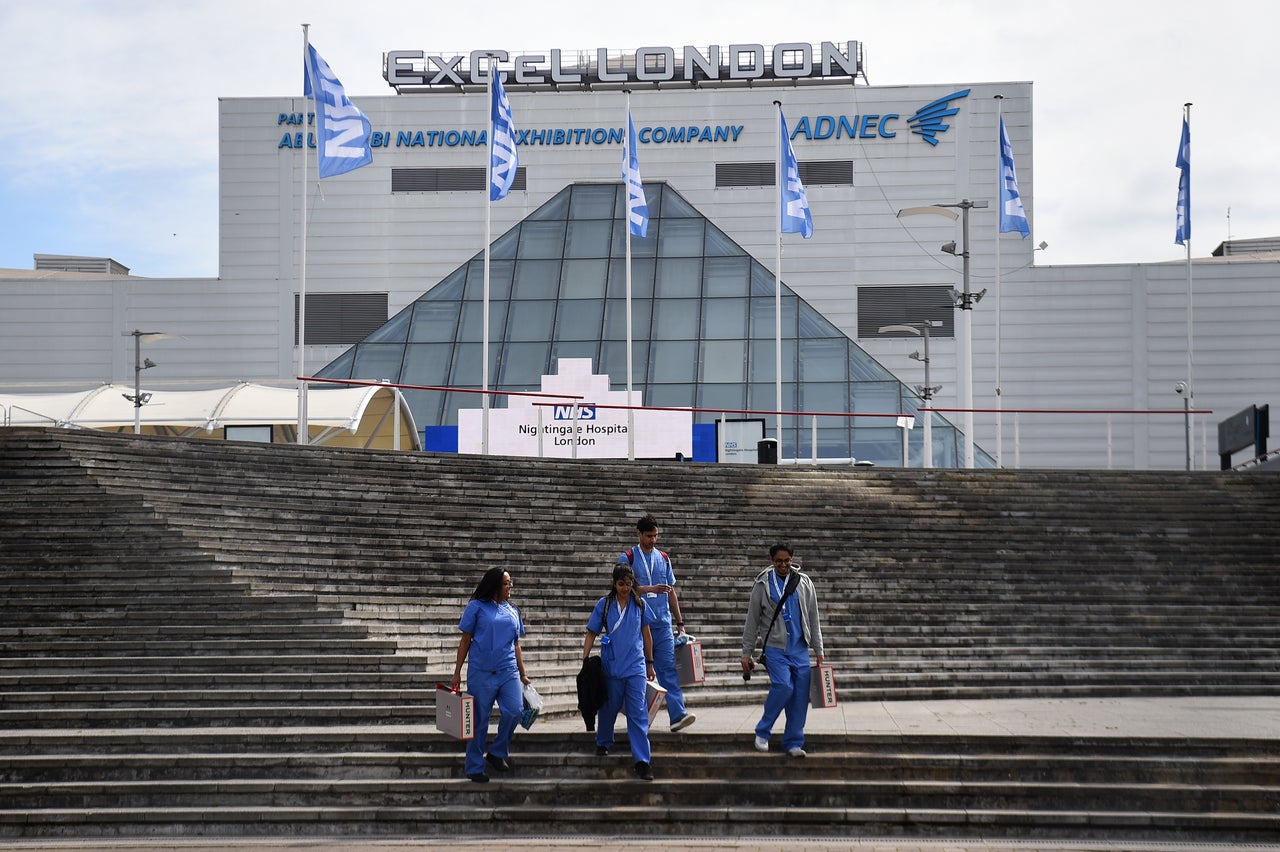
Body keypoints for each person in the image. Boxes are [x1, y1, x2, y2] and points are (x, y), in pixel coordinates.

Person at [740, 543, 825, 758]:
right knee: (783, 686)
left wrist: (819, 649)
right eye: (779, 561)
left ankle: (794, 742)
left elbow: (813, 617)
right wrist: (746, 652)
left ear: (792, 560)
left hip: (800, 648)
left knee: (799, 696)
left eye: (787, 561)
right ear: (771, 561)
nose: (783, 565)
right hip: (775, 648)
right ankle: (763, 731)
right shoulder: (762, 584)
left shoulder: (804, 583)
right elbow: (752, 621)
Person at [450, 567, 531, 783]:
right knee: (478, 721)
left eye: (510, 582)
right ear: (495, 585)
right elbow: (465, 640)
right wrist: (457, 672)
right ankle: (474, 766)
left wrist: (523, 674)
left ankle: (497, 752)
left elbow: (516, 645)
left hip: (508, 671)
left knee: (515, 711)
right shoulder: (475, 607)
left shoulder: (513, 611)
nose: (510, 587)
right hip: (481, 672)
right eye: (506, 583)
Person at [617, 515, 697, 733]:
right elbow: (622, 589)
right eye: (649, 536)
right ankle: (640, 718)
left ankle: (677, 714)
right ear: (639, 534)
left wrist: (680, 623)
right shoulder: (627, 557)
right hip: (637, 625)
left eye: (655, 536)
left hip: (662, 623)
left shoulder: (663, 557)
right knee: (639, 673)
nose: (653, 540)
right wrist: (650, 589)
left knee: (668, 669)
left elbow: (671, 592)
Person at [583, 564, 657, 781]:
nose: (625, 588)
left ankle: (642, 761)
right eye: (621, 584)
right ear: (614, 584)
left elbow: (647, 635)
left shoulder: (640, 604)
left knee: (638, 712)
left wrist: (650, 662)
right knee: (608, 707)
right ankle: (603, 741)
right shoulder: (604, 605)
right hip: (611, 666)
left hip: (635, 666)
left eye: (628, 583)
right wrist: (584, 658)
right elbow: (591, 632)